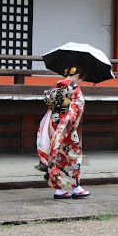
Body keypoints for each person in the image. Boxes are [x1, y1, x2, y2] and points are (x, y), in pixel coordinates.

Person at [36, 66, 90, 199]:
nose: (80, 82)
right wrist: (77, 118)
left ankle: (59, 189)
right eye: (81, 79)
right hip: (66, 123)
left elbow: (51, 103)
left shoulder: (56, 85)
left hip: (54, 122)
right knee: (73, 153)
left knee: (56, 153)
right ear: (77, 75)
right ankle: (76, 187)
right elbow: (78, 105)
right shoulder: (74, 88)